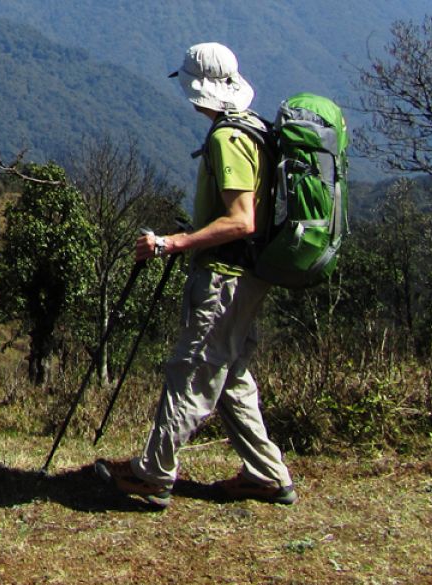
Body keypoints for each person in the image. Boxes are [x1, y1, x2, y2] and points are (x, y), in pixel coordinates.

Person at [95, 43, 296, 509]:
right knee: (230, 376)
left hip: (224, 277)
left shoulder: (228, 138)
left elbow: (241, 219)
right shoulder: (256, 130)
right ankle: (267, 474)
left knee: (191, 373)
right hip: (248, 274)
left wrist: (173, 243)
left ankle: (152, 473)